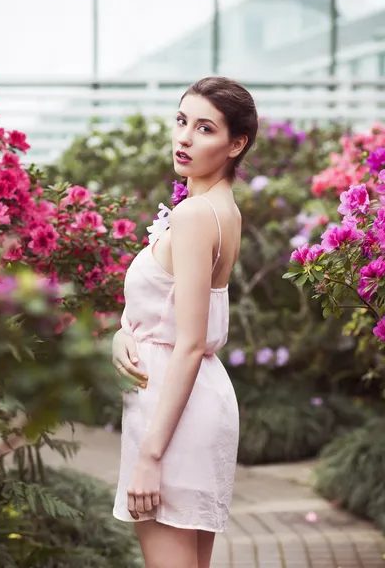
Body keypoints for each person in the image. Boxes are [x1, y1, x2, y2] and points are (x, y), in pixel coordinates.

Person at [112, 76, 258, 568]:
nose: (184, 138)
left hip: (173, 416)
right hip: (188, 402)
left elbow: (191, 343)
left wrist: (150, 457)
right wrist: (122, 335)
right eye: (181, 121)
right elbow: (172, 315)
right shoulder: (217, 209)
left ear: (236, 144)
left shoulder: (197, 215)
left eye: (204, 128)